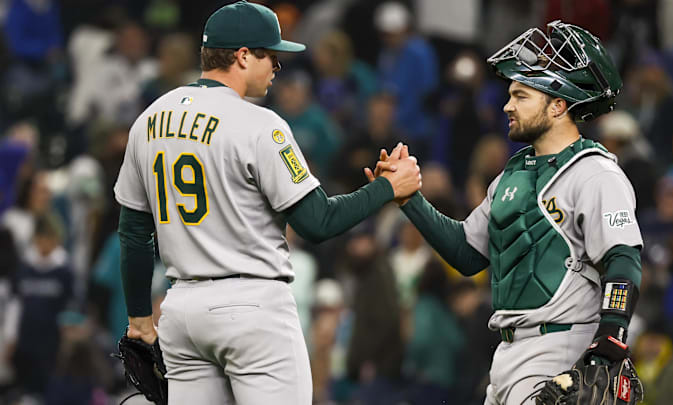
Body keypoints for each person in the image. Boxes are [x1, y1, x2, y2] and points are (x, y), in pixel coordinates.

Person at [112, 2, 421, 405]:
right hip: (252, 308)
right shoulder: (261, 124)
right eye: (270, 55)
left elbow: (134, 232)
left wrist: (139, 320)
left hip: (182, 310)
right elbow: (317, 222)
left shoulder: (148, 120)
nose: (277, 66)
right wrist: (387, 188)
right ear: (242, 55)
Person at [368, 21, 643, 404]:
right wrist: (411, 199)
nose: (507, 105)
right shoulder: (512, 174)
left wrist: (611, 339)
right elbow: (466, 254)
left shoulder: (595, 172)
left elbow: (624, 260)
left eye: (521, 95)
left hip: (561, 348)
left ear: (558, 103)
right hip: (506, 354)